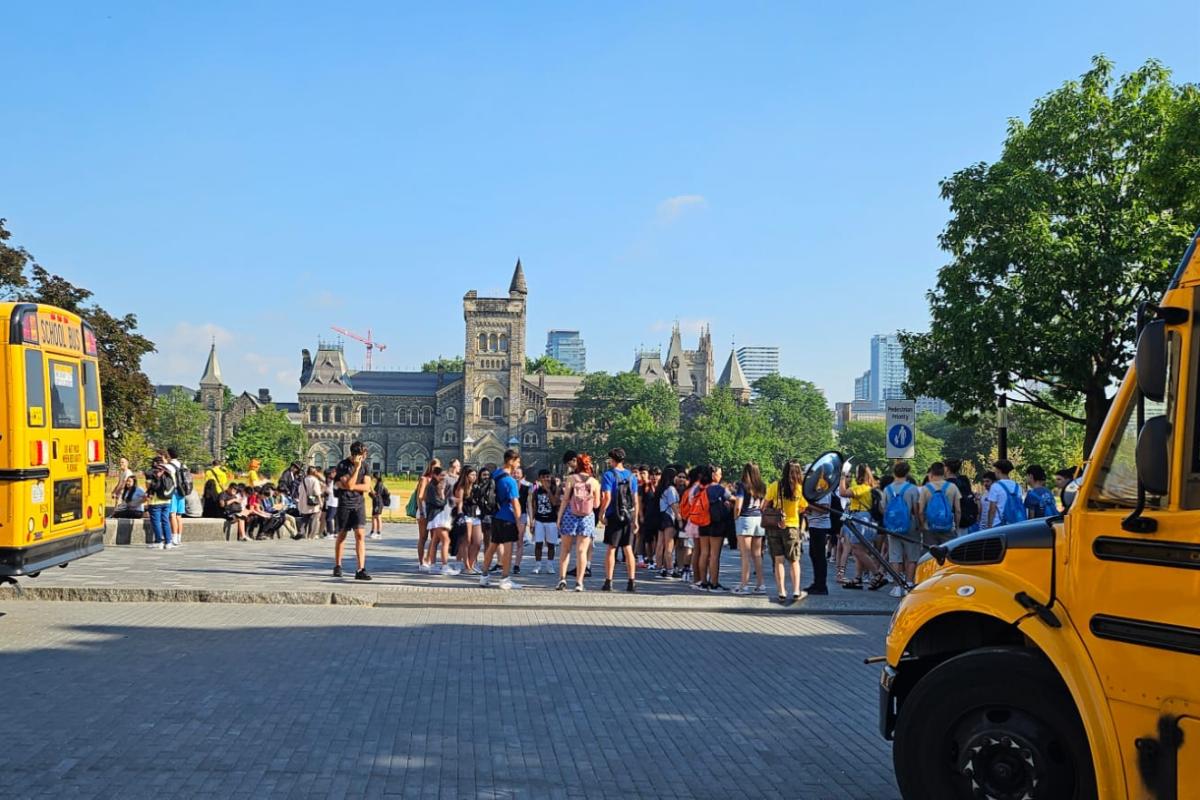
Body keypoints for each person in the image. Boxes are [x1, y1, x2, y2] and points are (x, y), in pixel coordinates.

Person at [763, 460, 807, 604]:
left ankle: (781, 591)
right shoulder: (800, 488)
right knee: (794, 560)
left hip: (774, 526)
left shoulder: (775, 486)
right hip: (792, 527)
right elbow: (803, 508)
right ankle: (795, 590)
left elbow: (764, 506)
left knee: (778, 560)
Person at [838, 464, 887, 590]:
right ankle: (858, 578)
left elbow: (842, 493)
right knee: (861, 551)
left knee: (857, 550)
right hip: (868, 519)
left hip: (861, 518)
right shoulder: (870, 488)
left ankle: (877, 575)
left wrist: (842, 476)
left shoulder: (861, 488)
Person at [556, 453, 600, 591]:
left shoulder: (571, 478)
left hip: (570, 515)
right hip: (587, 517)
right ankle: (579, 583)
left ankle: (562, 580)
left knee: (565, 549)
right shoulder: (594, 482)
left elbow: (565, 500)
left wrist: (559, 517)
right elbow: (597, 505)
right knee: (582, 551)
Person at [479, 449, 522, 589]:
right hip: (507, 517)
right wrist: (519, 521)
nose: (518, 464)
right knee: (508, 549)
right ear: (510, 461)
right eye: (517, 461)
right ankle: (505, 579)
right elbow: (515, 503)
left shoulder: (495, 474)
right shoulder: (510, 481)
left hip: (496, 516)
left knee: (492, 546)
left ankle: (484, 576)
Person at [599, 448, 640, 592]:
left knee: (611, 548)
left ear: (613, 459)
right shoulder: (631, 476)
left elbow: (607, 497)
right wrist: (635, 519)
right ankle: (631, 582)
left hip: (614, 515)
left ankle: (608, 582)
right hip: (628, 515)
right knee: (628, 548)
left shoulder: (608, 475)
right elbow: (635, 500)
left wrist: (601, 514)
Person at [332, 441, 373, 580]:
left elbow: (367, 487)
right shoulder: (343, 465)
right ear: (356, 455)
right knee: (342, 535)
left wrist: (351, 486)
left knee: (360, 535)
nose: (365, 456)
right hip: (345, 503)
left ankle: (360, 568)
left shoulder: (366, 466)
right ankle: (338, 565)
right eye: (363, 454)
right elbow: (349, 485)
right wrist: (356, 468)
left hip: (359, 504)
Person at [882, 461, 921, 597]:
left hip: (892, 526)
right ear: (907, 473)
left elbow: (883, 508)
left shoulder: (887, 489)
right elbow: (916, 509)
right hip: (910, 525)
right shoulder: (912, 489)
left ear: (894, 472)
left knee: (895, 556)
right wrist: (919, 524)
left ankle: (898, 586)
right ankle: (909, 584)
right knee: (912, 556)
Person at [731, 463, 766, 595]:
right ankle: (760, 584)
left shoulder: (742, 485)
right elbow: (763, 506)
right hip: (758, 518)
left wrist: (735, 518)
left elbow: (738, 506)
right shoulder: (762, 486)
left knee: (745, 555)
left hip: (745, 518)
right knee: (757, 554)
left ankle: (744, 585)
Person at [425, 466, 459, 575]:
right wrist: (449, 501)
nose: (444, 478)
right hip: (437, 516)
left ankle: (433, 565)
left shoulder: (438, 485)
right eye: (442, 475)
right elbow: (437, 502)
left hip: (438, 515)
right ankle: (445, 566)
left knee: (435, 541)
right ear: (435, 475)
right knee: (446, 540)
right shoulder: (431, 486)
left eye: (445, 475)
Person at [804, 472, 834, 596]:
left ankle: (821, 585)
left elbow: (825, 509)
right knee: (814, 554)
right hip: (814, 525)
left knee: (819, 556)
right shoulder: (816, 490)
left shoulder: (823, 489)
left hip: (820, 526)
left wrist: (808, 505)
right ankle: (817, 583)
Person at [918, 462, 962, 547]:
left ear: (932, 472)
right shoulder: (952, 487)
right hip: (948, 527)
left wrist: (923, 525)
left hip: (930, 528)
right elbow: (958, 510)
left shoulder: (925, 488)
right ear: (944, 472)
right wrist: (956, 526)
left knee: (930, 556)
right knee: (948, 555)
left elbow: (920, 511)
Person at [454, 467, 484, 574]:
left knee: (477, 542)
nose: (474, 477)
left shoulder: (476, 487)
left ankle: (471, 564)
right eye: (472, 475)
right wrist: (459, 515)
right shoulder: (461, 488)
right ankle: (466, 566)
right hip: (466, 515)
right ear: (466, 476)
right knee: (466, 541)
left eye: (475, 475)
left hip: (476, 516)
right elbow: (459, 503)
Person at [530, 470, 560, 574]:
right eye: (543, 477)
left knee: (551, 544)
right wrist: (532, 521)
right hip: (539, 520)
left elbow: (555, 502)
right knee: (538, 543)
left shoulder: (555, 489)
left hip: (551, 521)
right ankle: (538, 565)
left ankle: (550, 565)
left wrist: (548, 490)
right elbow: (534, 506)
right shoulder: (536, 491)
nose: (546, 479)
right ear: (539, 479)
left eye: (548, 476)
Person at [654, 466, 681, 579]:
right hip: (669, 517)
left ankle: (660, 568)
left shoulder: (661, 488)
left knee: (660, 544)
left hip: (661, 516)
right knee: (669, 545)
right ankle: (670, 569)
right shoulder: (671, 489)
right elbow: (674, 505)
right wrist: (679, 519)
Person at [415, 458, 441, 571]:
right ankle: (421, 563)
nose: (435, 469)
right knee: (423, 537)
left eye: (438, 467)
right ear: (430, 467)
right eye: (433, 466)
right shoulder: (424, 479)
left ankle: (429, 560)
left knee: (435, 537)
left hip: (434, 509)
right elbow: (420, 497)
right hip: (425, 509)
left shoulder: (438, 480)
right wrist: (421, 511)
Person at [986, 459, 1025, 528]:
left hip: (999, 524)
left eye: (995, 470)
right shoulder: (1017, 486)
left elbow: (992, 509)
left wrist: (989, 526)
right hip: (1015, 523)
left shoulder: (995, 486)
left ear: (999, 471)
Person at [944, 459, 977, 536]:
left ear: (947, 469)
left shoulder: (945, 485)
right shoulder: (962, 483)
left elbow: (957, 509)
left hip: (949, 521)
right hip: (964, 520)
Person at [165, 448, 188, 547]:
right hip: (182, 492)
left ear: (169, 455)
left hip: (174, 491)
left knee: (172, 515)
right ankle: (179, 538)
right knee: (179, 516)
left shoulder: (169, 466)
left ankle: (173, 537)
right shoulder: (183, 465)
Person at [513, 466, 533, 574]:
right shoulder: (509, 484)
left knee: (519, 540)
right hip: (509, 514)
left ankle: (517, 565)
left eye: (518, 473)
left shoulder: (528, 486)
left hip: (522, 515)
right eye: (514, 473)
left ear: (522, 474)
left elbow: (529, 503)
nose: (516, 475)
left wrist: (531, 519)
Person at [297, 466, 325, 538]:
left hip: (304, 501)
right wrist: (320, 502)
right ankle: (310, 535)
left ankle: (302, 532)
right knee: (313, 518)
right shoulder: (314, 480)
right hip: (312, 502)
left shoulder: (303, 480)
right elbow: (317, 492)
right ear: (314, 473)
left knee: (305, 518)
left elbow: (299, 490)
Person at [369, 473, 390, 539]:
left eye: (373, 478)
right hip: (377, 502)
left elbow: (376, 495)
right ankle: (373, 532)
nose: (372, 479)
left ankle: (378, 533)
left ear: (376, 478)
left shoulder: (379, 485)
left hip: (378, 503)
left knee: (377, 517)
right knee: (374, 517)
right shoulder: (379, 484)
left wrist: (370, 489)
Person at [323, 467, 339, 538]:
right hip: (333, 502)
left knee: (329, 518)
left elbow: (331, 491)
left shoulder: (334, 481)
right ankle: (336, 533)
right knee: (336, 518)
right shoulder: (334, 481)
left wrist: (325, 489)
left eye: (332, 473)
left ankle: (331, 533)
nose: (330, 475)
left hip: (333, 502)